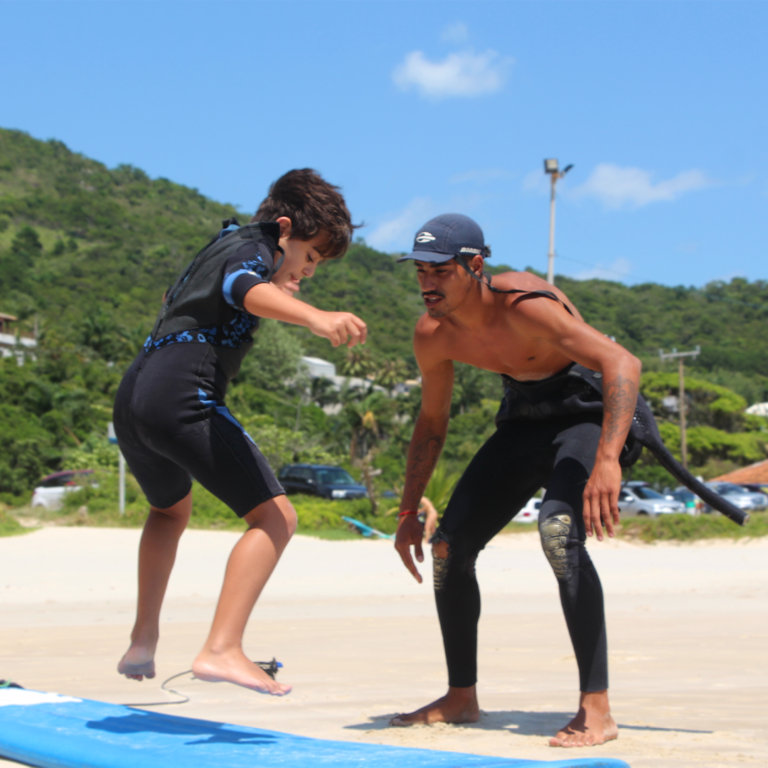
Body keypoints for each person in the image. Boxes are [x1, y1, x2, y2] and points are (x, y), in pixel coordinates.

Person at [114, 169, 366, 696]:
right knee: (276, 517)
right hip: (183, 393)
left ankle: (142, 639)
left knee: (168, 511)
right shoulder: (253, 248)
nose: (311, 271)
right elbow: (242, 288)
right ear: (283, 228)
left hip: (135, 397)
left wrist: (291, 288)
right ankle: (222, 648)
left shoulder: (220, 245)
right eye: (311, 256)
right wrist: (314, 318)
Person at [392, 213, 641, 747]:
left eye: (439, 271)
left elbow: (622, 362)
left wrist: (608, 460)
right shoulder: (433, 334)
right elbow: (432, 423)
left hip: (585, 415)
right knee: (448, 547)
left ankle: (597, 710)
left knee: (556, 530)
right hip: (524, 421)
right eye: (419, 271)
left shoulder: (525, 305)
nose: (426, 283)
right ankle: (461, 697)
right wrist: (408, 511)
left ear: (474, 265)